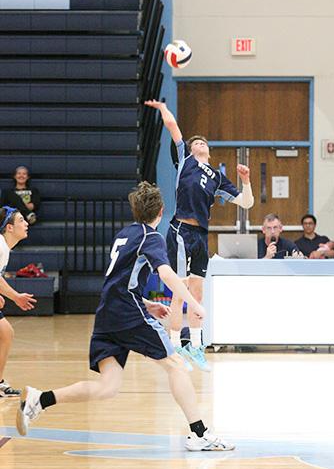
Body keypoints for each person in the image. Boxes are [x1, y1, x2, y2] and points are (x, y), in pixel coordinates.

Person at [16, 182, 234, 451]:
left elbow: (117, 280)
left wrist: (147, 303)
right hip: (127, 314)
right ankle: (199, 434)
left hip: (108, 314)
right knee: (175, 364)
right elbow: (166, 274)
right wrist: (193, 305)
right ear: (161, 211)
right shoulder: (150, 236)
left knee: (108, 387)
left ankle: (40, 400)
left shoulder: (125, 234)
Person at [144, 100, 254, 372]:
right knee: (179, 292)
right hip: (180, 230)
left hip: (200, 236)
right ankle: (173, 348)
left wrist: (247, 181)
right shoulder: (186, 160)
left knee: (198, 293)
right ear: (191, 149)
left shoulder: (216, 177)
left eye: (204, 142)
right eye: (197, 142)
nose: (201, 143)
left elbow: (247, 203)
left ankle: (195, 346)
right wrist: (162, 108)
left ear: (209, 150)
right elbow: (172, 126)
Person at [0, 206, 37, 397]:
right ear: (9, 228)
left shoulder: (4, 248)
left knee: (5, 333)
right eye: (21, 220)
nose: (26, 224)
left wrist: (14, 297)